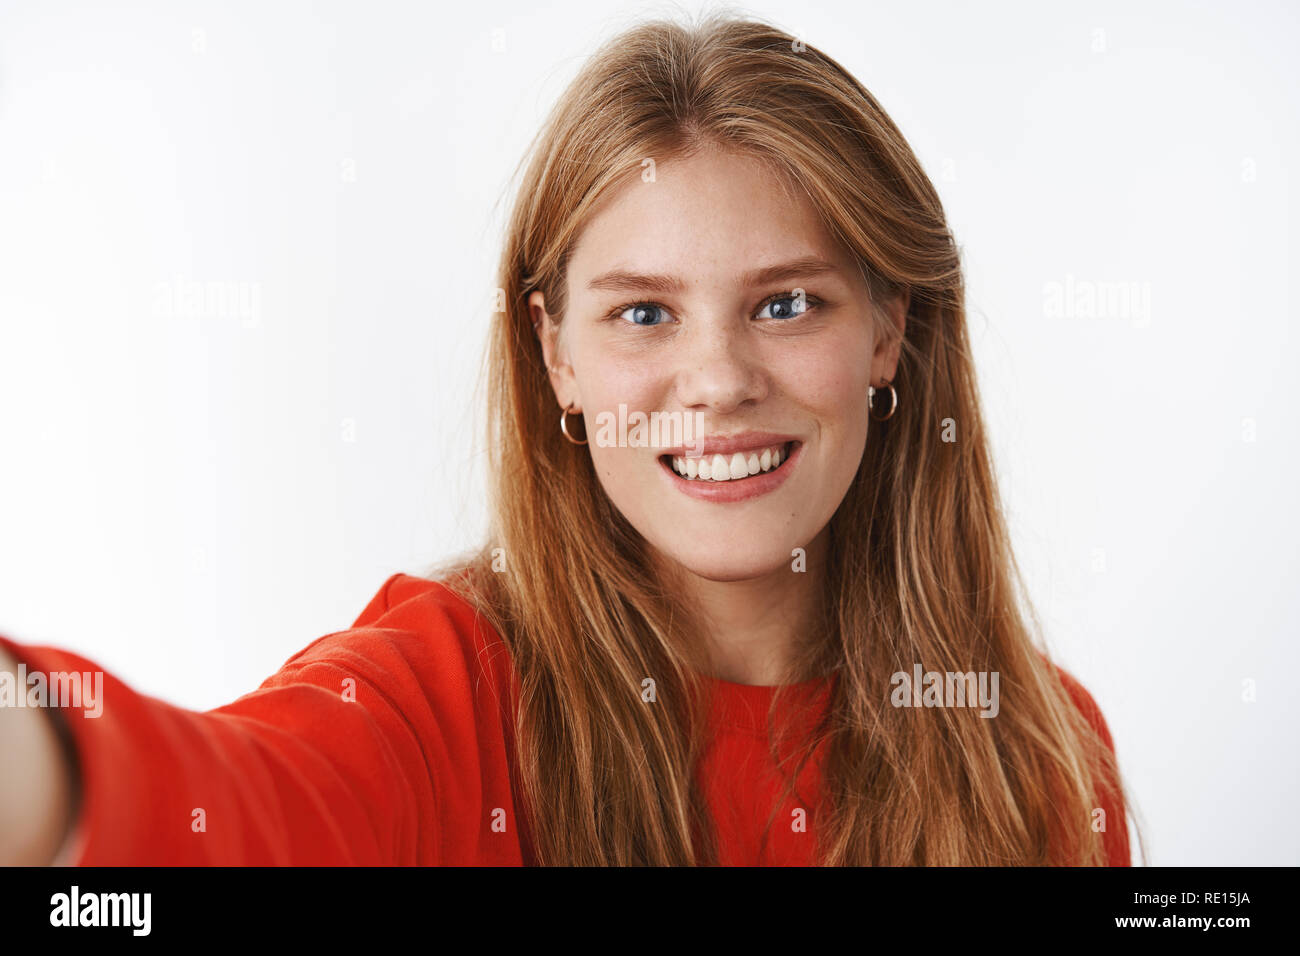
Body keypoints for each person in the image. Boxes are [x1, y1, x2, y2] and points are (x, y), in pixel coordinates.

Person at [0, 12, 1138, 866]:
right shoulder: (443, 696)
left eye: (786, 303)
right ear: (556, 355)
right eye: (643, 312)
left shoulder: (1035, 745)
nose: (719, 383)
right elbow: (229, 795)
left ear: (889, 330)